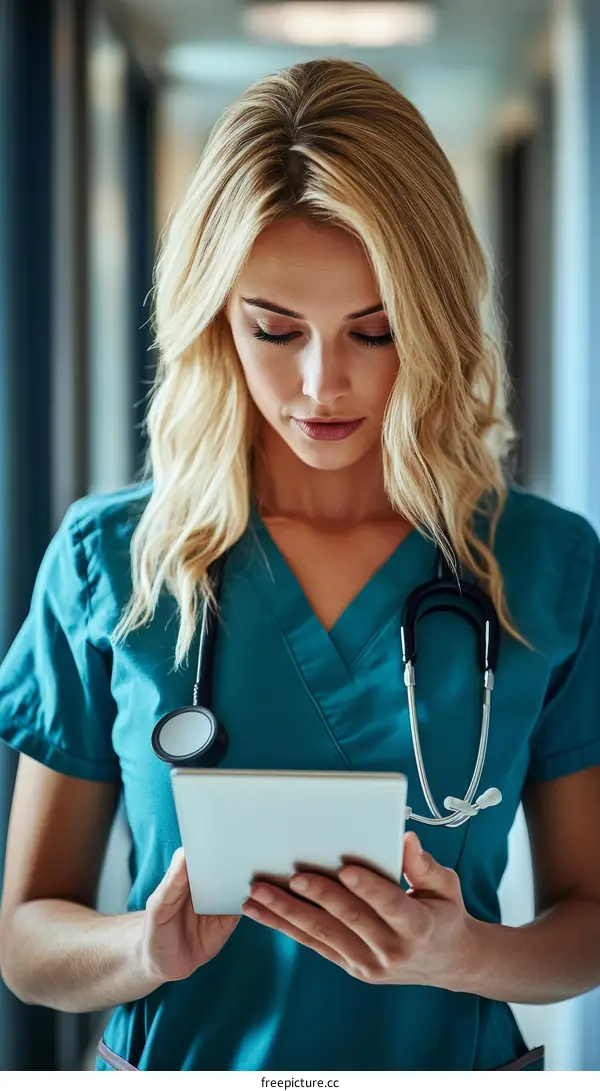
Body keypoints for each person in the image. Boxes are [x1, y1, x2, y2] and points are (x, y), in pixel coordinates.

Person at [0, 57, 599, 1074]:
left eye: (377, 330)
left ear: (441, 322)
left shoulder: (541, 564)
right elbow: (25, 942)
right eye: (274, 329)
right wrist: (140, 947)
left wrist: (469, 954)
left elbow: (587, 923)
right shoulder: (114, 564)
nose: (324, 383)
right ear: (213, 320)